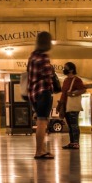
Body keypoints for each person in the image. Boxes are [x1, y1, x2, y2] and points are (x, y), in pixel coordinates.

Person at [27, 31, 57, 159]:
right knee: (42, 122)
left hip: (33, 93)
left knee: (40, 120)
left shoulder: (32, 56)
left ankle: (42, 149)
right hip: (43, 92)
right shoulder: (43, 57)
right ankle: (39, 151)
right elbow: (48, 75)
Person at [57, 62, 85, 149]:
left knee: (74, 124)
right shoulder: (65, 80)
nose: (64, 69)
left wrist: (73, 94)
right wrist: (60, 105)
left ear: (71, 70)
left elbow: (83, 90)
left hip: (72, 105)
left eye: (65, 68)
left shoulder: (77, 80)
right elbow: (63, 94)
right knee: (70, 125)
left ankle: (76, 143)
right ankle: (72, 142)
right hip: (65, 105)